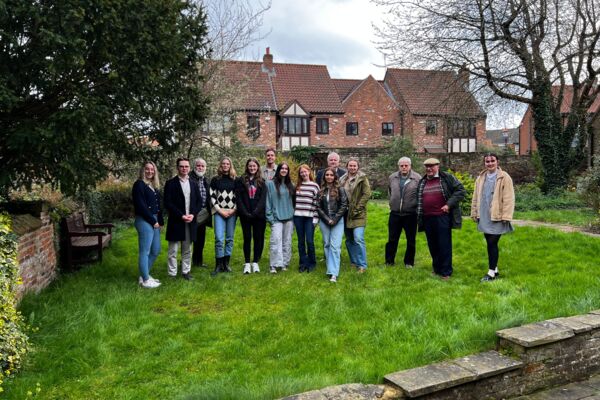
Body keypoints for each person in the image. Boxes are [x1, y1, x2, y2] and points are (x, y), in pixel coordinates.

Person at [416, 158, 466, 280]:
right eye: (427, 166)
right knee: (432, 245)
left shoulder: (446, 178)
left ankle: (446, 272)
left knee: (444, 244)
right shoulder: (423, 181)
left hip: (442, 217)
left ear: (438, 166)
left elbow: (460, 190)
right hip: (427, 218)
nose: (429, 169)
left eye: (431, 166)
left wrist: (448, 204)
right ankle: (437, 268)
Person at [471, 153, 515, 282]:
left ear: (497, 162)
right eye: (487, 161)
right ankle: (495, 269)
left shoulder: (504, 177)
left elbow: (509, 198)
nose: (490, 163)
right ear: (484, 163)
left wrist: (506, 215)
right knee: (489, 242)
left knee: (492, 242)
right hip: (484, 214)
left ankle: (490, 272)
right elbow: (475, 196)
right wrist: (474, 212)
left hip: (498, 215)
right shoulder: (480, 177)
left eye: (492, 161)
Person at [164, 158, 202, 280]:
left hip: (190, 221)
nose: (184, 169)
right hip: (176, 221)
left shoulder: (194, 184)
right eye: (182, 166)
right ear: (177, 168)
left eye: (186, 166)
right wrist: (181, 215)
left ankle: (186, 272)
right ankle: (172, 274)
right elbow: (168, 203)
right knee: (173, 250)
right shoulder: (170, 183)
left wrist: (193, 214)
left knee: (187, 249)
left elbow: (199, 202)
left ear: (189, 168)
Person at [385, 157, 422, 268]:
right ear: (399, 166)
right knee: (392, 239)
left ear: (410, 166)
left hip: (410, 214)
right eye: (402, 165)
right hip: (395, 214)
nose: (404, 167)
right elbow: (390, 192)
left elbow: (420, 195)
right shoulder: (392, 177)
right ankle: (389, 261)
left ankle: (409, 262)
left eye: (406, 165)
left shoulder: (417, 178)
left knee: (411, 240)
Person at [132, 161, 164, 288]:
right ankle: (145, 280)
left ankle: (144, 275)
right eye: (147, 169)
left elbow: (158, 206)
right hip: (144, 220)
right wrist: (153, 221)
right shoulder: (139, 185)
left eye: (152, 169)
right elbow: (140, 206)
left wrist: (160, 221)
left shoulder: (152, 185)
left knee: (156, 250)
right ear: (142, 170)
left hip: (154, 220)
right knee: (144, 251)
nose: (150, 171)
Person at [235, 158, 267, 274]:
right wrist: (245, 212)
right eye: (250, 166)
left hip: (259, 215)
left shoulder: (262, 181)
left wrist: (255, 212)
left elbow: (263, 199)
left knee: (258, 238)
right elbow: (238, 198)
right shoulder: (240, 180)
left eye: (254, 166)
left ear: (257, 167)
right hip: (245, 215)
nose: (252, 168)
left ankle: (255, 262)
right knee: (247, 238)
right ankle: (247, 263)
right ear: (247, 167)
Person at [339, 158, 371, 273]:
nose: (352, 167)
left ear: (358, 167)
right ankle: (354, 261)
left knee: (358, 238)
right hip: (345, 214)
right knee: (349, 239)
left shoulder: (362, 178)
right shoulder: (342, 179)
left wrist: (358, 208)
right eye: (350, 165)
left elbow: (367, 194)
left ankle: (362, 265)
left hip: (358, 213)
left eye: (354, 166)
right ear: (347, 166)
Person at [317, 168, 348, 283]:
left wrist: (334, 219)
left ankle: (333, 273)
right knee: (327, 244)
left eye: (331, 175)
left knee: (335, 246)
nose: (329, 177)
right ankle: (330, 266)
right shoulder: (321, 190)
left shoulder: (340, 189)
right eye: (327, 175)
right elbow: (318, 206)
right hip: (325, 221)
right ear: (324, 177)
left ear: (335, 177)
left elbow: (344, 205)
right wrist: (326, 219)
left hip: (337, 220)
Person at [265, 162, 295, 274]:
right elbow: (267, 201)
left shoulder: (290, 184)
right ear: (278, 170)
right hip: (276, 218)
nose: (284, 170)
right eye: (282, 168)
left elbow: (293, 202)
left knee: (287, 241)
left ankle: (284, 263)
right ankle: (274, 265)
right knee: (275, 241)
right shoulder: (270, 184)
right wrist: (270, 218)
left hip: (289, 218)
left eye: (286, 169)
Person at [210, 157, 237, 275]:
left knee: (229, 238)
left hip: (232, 212)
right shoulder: (215, 180)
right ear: (220, 166)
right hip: (219, 212)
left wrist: (233, 210)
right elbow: (212, 196)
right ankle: (218, 264)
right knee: (219, 239)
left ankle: (226, 264)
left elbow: (239, 196)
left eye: (227, 164)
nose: (225, 165)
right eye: (223, 164)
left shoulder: (236, 180)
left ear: (230, 166)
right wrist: (219, 210)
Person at [293, 164, 320, 272]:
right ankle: (303, 263)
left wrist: (315, 219)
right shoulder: (297, 186)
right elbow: (294, 202)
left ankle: (312, 263)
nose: (303, 174)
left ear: (309, 172)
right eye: (301, 172)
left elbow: (317, 204)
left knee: (309, 241)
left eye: (305, 171)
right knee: (300, 242)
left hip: (309, 218)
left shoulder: (314, 186)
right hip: (298, 217)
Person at [188, 158, 212, 268]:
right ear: (194, 167)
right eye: (198, 166)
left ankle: (198, 262)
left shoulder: (206, 180)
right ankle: (186, 263)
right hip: (191, 213)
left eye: (203, 166)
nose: (200, 168)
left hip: (203, 214)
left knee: (200, 239)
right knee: (188, 240)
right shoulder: (189, 178)